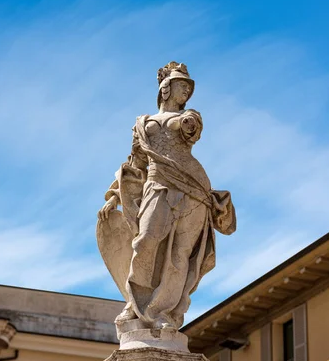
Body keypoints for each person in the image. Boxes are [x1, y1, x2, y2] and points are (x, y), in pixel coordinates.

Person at [98, 62, 236, 330]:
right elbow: (135, 164)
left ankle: (163, 311)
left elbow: (192, 127)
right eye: (181, 84)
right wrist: (115, 196)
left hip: (194, 188)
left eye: (188, 87)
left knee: (179, 254)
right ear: (165, 88)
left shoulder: (190, 118)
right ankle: (135, 303)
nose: (186, 90)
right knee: (146, 240)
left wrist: (188, 121)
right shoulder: (143, 124)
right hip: (158, 184)